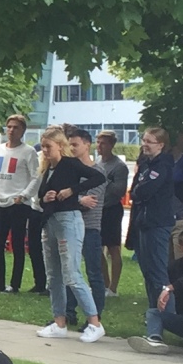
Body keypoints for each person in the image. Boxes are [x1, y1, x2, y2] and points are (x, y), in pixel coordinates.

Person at [33, 128, 106, 342]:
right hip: (51, 221)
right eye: (43, 146)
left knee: (72, 274)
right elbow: (40, 196)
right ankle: (59, 321)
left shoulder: (70, 164)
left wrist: (72, 190)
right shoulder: (47, 169)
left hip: (68, 220)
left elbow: (98, 177)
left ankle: (94, 322)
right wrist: (46, 197)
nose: (45, 150)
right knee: (54, 275)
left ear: (59, 146)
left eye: (48, 146)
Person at [129, 127, 177, 318]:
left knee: (158, 272)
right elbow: (134, 190)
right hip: (143, 221)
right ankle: (154, 312)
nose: (145, 145)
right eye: (144, 140)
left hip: (157, 222)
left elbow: (145, 191)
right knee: (147, 271)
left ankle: (168, 316)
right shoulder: (145, 164)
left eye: (150, 142)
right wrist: (138, 190)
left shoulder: (162, 165)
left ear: (161, 145)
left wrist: (139, 191)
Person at [0, 113, 39, 294]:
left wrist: (24, 195)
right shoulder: (0, 150)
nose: (11, 130)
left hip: (18, 204)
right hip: (1, 202)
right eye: (9, 127)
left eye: (15, 127)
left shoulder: (29, 152)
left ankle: (15, 284)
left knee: (17, 244)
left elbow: (36, 176)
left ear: (23, 130)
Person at [65, 127, 107, 326]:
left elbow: (91, 202)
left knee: (93, 273)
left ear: (87, 145)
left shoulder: (97, 172)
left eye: (75, 144)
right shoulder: (68, 169)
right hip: (70, 226)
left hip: (90, 227)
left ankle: (95, 316)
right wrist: (77, 199)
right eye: (69, 145)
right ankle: (68, 312)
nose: (72, 148)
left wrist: (72, 198)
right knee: (69, 270)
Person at [94, 131, 129, 293]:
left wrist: (104, 179)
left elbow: (120, 190)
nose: (99, 146)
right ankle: (105, 283)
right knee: (97, 247)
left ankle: (113, 287)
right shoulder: (97, 163)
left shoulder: (119, 166)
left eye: (103, 143)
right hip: (97, 209)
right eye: (98, 142)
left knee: (113, 247)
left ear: (111, 145)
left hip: (112, 209)